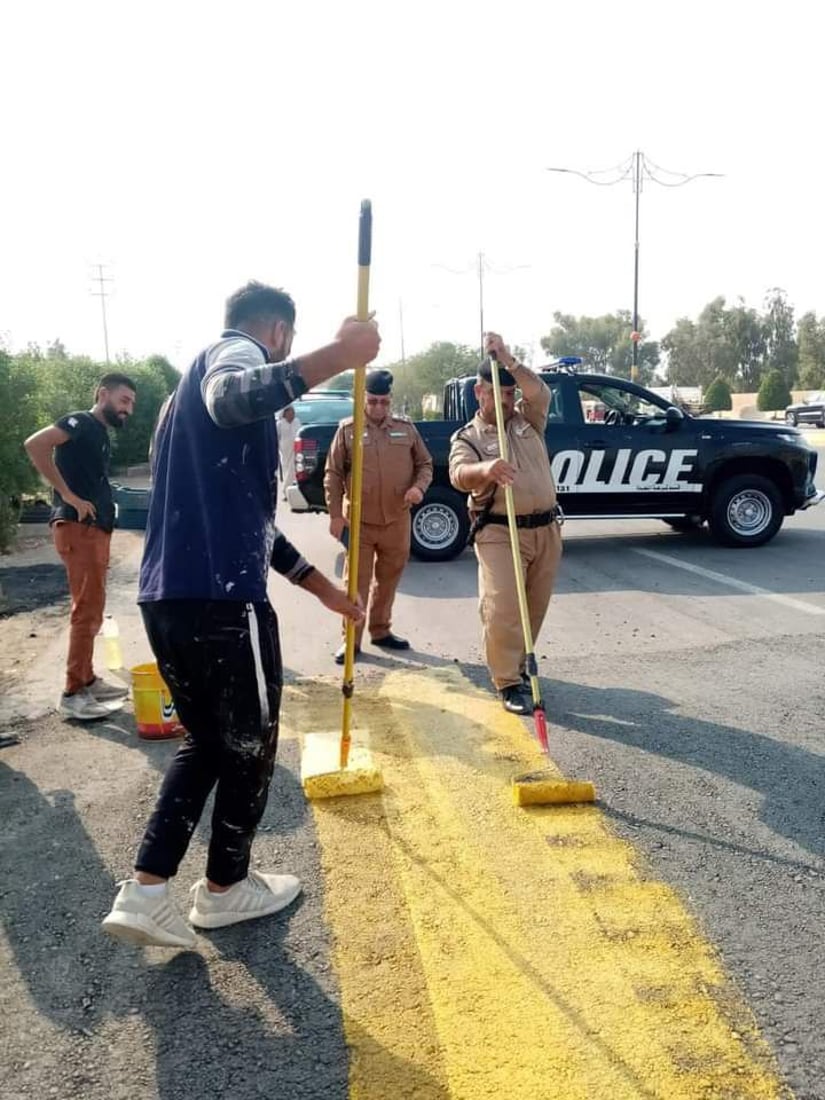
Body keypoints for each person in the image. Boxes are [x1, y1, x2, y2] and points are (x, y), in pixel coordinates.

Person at [101, 281, 380, 949]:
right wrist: (339, 354)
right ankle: (225, 889)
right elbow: (236, 395)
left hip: (171, 598)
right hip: (222, 602)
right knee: (251, 746)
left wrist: (323, 589)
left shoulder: (179, 408)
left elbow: (256, 528)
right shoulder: (230, 357)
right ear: (278, 333)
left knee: (208, 741)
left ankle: (145, 890)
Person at [448, 333, 563, 714]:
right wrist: (487, 469)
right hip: (500, 529)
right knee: (502, 608)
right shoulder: (469, 435)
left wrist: (510, 361)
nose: (508, 400)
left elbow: (541, 393)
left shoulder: (528, 421)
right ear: (480, 392)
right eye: (501, 393)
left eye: (512, 394)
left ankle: (519, 664)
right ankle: (508, 682)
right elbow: (459, 473)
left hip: (546, 529)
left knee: (533, 607)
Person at [24, 374, 137, 721]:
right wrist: (69, 496)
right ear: (102, 394)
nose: (128, 409)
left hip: (93, 530)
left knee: (93, 609)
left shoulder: (98, 433)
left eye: (131, 403)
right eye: (123, 400)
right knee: (85, 610)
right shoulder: (82, 421)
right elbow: (35, 445)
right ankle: (73, 692)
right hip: (78, 528)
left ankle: (87, 678)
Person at [324, 369, 433, 664]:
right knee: (355, 584)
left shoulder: (406, 429)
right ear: (363, 400)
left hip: (396, 520)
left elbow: (425, 464)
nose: (378, 408)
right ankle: (351, 641)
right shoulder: (348, 430)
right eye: (372, 401)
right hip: (359, 522)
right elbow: (333, 474)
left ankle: (381, 630)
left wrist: (417, 488)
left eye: (384, 402)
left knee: (388, 580)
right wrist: (335, 514)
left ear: (390, 400)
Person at [277, 404, 302, 499]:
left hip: (297, 449)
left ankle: (290, 490)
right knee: (287, 469)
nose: (292, 413)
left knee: (295, 468)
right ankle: (287, 491)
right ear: (285, 413)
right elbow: (277, 438)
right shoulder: (280, 424)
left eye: (293, 411)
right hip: (285, 450)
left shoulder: (297, 421)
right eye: (290, 412)